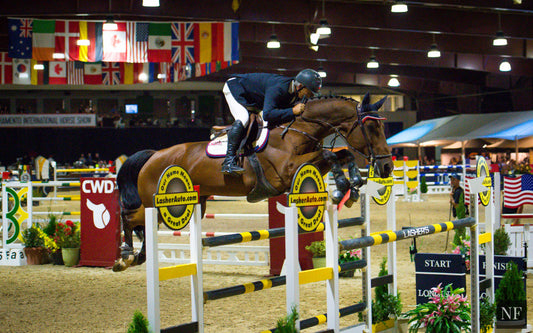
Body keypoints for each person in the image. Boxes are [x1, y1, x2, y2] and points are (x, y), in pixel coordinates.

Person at [220, 69, 323, 176]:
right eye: (309, 92)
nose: (310, 96)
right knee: (243, 118)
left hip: (253, 97)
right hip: (236, 88)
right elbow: (267, 115)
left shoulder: (294, 93)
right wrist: (292, 111)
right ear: (300, 86)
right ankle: (228, 162)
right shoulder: (278, 88)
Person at [449, 174, 469, 244]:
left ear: (458, 181)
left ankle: (458, 245)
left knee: (459, 232)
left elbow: (456, 205)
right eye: (451, 180)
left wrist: (451, 197)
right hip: (460, 214)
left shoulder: (458, 192)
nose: (452, 181)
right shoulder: (457, 190)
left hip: (461, 214)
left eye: (454, 180)